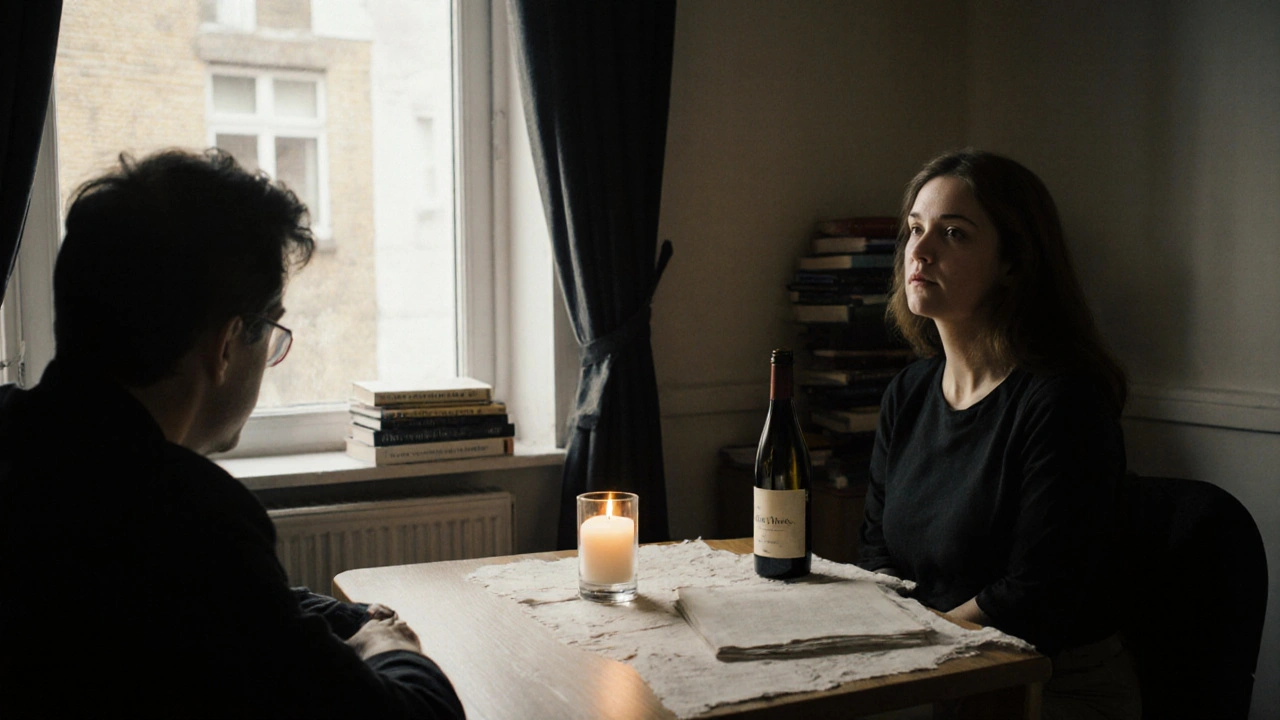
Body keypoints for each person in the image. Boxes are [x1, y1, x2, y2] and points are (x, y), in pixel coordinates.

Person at [0, 149, 466, 718]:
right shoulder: (189, 518)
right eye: (269, 331)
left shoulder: (27, 441)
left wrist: (347, 619)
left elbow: (249, 614)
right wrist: (389, 646)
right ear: (225, 345)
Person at [858, 149, 1141, 719]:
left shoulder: (1063, 400)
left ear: (1013, 263)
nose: (920, 249)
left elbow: (1034, 595)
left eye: (954, 233)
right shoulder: (909, 393)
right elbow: (875, 551)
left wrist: (910, 649)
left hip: (1045, 683)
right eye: (915, 229)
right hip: (934, 666)